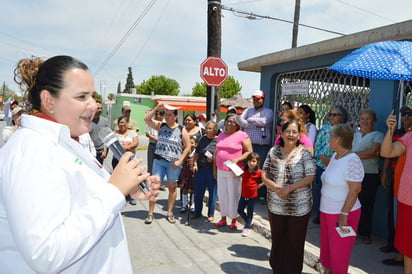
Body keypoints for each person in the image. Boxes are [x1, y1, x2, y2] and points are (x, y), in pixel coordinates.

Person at [0, 55, 160, 273]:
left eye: (92, 96)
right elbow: (45, 254)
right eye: (81, 96)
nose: (93, 105)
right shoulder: (34, 151)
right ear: (49, 100)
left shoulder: (62, 142)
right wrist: (114, 191)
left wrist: (126, 191)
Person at [262, 120, 316, 273]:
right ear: (282, 133)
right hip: (276, 205)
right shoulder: (273, 151)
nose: (291, 135)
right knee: (278, 240)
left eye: (294, 132)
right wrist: (275, 187)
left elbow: (310, 176)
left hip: (299, 207)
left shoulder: (305, 152)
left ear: (299, 135)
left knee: (295, 243)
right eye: (288, 131)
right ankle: (277, 269)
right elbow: (264, 174)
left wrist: (289, 188)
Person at [320, 124, 364, 274]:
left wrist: (344, 214)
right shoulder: (335, 156)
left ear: (338, 139)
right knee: (327, 251)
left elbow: (355, 190)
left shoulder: (352, 159)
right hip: (327, 211)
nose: (328, 139)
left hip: (342, 215)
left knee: (339, 255)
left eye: (330, 136)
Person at [144, 104, 191, 224]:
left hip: (173, 164)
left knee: (172, 188)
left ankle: (170, 213)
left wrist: (180, 160)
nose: (167, 117)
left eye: (170, 114)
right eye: (166, 114)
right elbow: (147, 120)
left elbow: (188, 147)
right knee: (154, 186)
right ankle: (150, 213)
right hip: (159, 161)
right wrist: (156, 108)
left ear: (175, 116)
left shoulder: (182, 130)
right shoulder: (161, 125)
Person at [381, 109, 412, 273]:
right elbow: (387, 152)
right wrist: (390, 130)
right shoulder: (409, 137)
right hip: (408, 201)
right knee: (408, 249)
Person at [214, 114, 253, 230]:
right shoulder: (221, 135)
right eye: (227, 121)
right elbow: (217, 152)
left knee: (233, 195)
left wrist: (237, 160)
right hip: (221, 169)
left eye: (232, 122)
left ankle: (234, 219)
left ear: (237, 124)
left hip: (234, 170)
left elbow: (249, 152)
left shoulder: (242, 135)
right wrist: (214, 169)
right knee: (222, 195)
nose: (229, 123)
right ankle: (223, 218)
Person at [352, 109, 384, 244]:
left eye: (368, 119)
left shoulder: (378, 135)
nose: (364, 121)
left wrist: (354, 154)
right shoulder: (355, 135)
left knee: (366, 204)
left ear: (374, 121)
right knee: (351, 202)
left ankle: (365, 233)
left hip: (369, 174)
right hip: (353, 173)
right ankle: (350, 229)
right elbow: (348, 150)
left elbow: (373, 152)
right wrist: (361, 154)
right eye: (362, 119)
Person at [313, 106, 349, 224]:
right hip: (321, 164)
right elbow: (318, 145)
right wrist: (323, 158)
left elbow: (347, 147)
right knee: (322, 191)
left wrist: (333, 161)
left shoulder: (345, 130)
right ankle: (321, 215)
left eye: (335, 115)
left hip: (338, 166)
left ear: (342, 117)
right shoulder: (325, 129)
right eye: (330, 114)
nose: (331, 117)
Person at [240, 90, 273, 200]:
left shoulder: (268, 111)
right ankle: (247, 192)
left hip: (261, 146)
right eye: (254, 99)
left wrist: (249, 121)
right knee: (247, 169)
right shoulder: (248, 110)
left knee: (260, 170)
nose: (256, 101)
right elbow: (240, 121)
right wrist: (254, 123)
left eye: (258, 99)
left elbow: (264, 122)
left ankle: (261, 195)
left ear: (263, 99)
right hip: (249, 146)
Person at [191, 120, 218, 222]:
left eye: (210, 128)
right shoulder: (203, 139)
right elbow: (197, 152)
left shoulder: (218, 140)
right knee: (198, 192)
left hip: (212, 170)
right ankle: (197, 212)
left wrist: (213, 159)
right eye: (206, 128)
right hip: (201, 169)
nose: (207, 130)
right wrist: (195, 163)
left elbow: (220, 156)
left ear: (215, 130)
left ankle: (211, 214)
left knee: (212, 192)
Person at [237, 152, 263, 237]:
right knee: (240, 210)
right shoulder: (244, 171)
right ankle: (248, 221)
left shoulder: (259, 172)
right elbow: (237, 175)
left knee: (250, 211)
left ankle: (247, 227)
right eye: (249, 161)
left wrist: (258, 186)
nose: (251, 163)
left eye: (253, 161)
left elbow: (266, 180)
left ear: (257, 163)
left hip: (252, 196)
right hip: (243, 194)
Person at [178, 135, 198, 213]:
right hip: (185, 173)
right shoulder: (184, 151)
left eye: (192, 143)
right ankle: (184, 204)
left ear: (196, 144)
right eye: (188, 143)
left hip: (193, 174)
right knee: (185, 189)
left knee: (193, 190)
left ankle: (192, 205)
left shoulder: (196, 153)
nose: (190, 145)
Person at [89, 100, 110, 164]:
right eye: (98, 108)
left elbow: (107, 137)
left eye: (101, 108)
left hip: (100, 152)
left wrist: (106, 151)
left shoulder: (105, 121)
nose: (100, 110)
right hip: (89, 151)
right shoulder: (87, 120)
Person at [145, 109, 165, 174]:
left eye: (157, 114)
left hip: (162, 146)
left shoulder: (165, 123)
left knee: (160, 164)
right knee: (151, 164)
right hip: (152, 145)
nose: (155, 115)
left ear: (162, 115)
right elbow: (147, 134)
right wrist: (156, 139)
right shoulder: (151, 122)